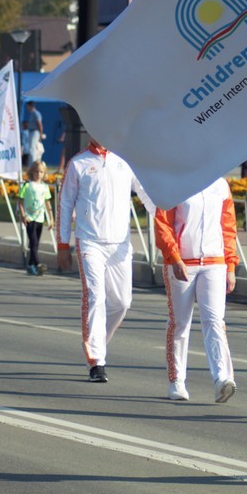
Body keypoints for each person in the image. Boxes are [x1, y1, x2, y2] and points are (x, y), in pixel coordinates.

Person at [56, 137, 152, 383]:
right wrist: (62, 243)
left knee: (122, 302)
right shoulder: (79, 163)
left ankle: (97, 342)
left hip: (120, 243)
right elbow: (65, 203)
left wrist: (167, 214)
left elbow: (145, 192)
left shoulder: (125, 160)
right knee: (95, 296)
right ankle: (97, 360)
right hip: (90, 241)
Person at [154, 178, 238, 403]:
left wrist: (230, 265)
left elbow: (228, 227)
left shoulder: (220, 184)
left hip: (214, 262)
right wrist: (173, 256)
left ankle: (222, 379)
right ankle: (177, 381)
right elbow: (162, 223)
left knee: (215, 320)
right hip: (182, 263)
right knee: (180, 323)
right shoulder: (175, 182)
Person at [18, 160, 54, 275]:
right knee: (33, 241)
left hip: (39, 217)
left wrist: (51, 217)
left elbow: (47, 202)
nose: (38, 174)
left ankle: (30, 265)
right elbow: (20, 200)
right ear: (32, 172)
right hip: (29, 217)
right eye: (36, 171)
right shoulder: (27, 185)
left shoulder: (44, 187)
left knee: (36, 242)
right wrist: (23, 214)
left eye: (41, 172)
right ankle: (38, 264)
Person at [22, 101, 44, 167]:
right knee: (31, 149)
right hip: (31, 132)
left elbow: (40, 124)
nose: (28, 108)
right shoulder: (32, 114)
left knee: (33, 149)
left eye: (28, 107)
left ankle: (33, 165)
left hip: (35, 132)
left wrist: (41, 134)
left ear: (30, 106)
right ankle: (31, 164)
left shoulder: (36, 113)